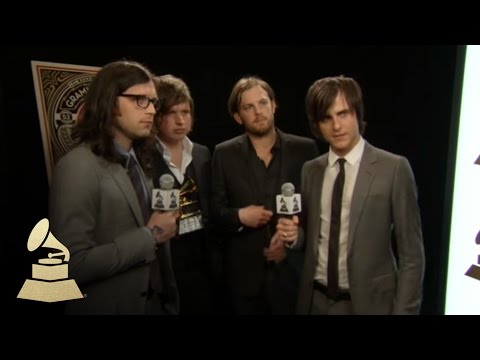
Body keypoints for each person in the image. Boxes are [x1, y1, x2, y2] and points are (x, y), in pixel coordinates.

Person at [49, 60, 179, 315]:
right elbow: (68, 266)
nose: (151, 111)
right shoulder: (77, 167)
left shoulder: (140, 160)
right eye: (139, 100)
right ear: (108, 101)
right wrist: (149, 236)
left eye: (153, 102)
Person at [294, 75, 425, 315]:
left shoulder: (394, 168)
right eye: (327, 118)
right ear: (317, 125)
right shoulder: (310, 170)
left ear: (357, 113)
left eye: (343, 114)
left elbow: (412, 256)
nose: (336, 126)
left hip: (369, 305)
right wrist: (294, 236)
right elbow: (313, 237)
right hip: (315, 301)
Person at [211, 76, 318, 314]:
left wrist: (294, 240)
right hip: (243, 283)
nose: (258, 112)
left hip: (293, 277)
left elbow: (317, 211)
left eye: (262, 103)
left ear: (274, 105)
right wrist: (240, 216)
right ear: (238, 116)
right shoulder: (224, 153)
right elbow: (215, 213)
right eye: (248, 107)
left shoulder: (305, 150)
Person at [151, 74, 216, 314]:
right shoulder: (143, 156)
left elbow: (209, 207)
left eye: (185, 112)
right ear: (157, 116)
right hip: (165, 263)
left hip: (201, 260)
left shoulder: (201, 153)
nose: (180, 120)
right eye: (171, 113)